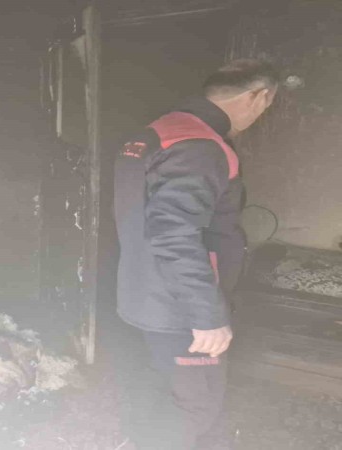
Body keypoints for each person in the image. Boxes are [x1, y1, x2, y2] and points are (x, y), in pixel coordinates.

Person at [113, 59, 279, 449]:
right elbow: (174, 233)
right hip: (180, 309)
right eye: (267, 105)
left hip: (145, 294)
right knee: (195, 404)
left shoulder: (157, 131)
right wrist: (206, 316)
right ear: (258, 97)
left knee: (155, 388)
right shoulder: (201, 147)